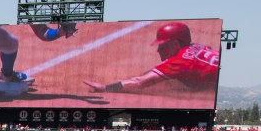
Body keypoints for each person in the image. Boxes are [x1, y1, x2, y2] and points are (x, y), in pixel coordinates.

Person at [83, 22, 220, 96]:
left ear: (176, 44)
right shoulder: (197, 46)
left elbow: (139, 82)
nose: (158, 50)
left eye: (162, 46)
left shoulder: (180, 61)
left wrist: (106, 87)